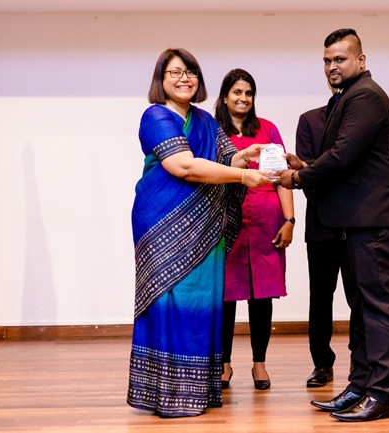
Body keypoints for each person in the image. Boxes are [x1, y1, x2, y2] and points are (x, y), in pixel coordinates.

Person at [127, 49, 271, 418]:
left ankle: (197, 389)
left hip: (205, 227)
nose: (184, 78)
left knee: (202, 298)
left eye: (190, 72)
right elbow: (185, 165)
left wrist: (246, 155)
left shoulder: (206, 121)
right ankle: (166, 391)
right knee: (169, 299)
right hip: (162, 224)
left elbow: (222, 163)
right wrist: (241, 175)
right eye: (175, 72)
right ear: (161, 79)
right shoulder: (155, 116)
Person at [277, 28, 389, 422]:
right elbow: (337, 158)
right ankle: (359, 386)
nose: (332, 66)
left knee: (378, 308)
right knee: (362, 309)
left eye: (340, 59)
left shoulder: (365, 95)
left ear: (361, 61)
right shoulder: (345, 98)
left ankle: (382, 395)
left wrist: (299, 179)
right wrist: (306, 166)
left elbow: (342, 156)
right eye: (326, 60)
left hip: (375, 219)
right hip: (356, 221)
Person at [214, 68, 294, 391]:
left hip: (265, 222)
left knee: (263, 296)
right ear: (224, 97)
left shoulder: (268, 129)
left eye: (249, 93)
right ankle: (224, 363)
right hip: (225, 222)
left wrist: (289, 220)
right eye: (237, 93)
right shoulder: (213, 130)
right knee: (225, 296)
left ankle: (259, 364)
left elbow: (283, 177)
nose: (244, 99)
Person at [295, 104, 351, 388]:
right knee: (320, 297)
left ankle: (361, 361)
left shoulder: (357, 118)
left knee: (360, 297)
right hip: (321, 222)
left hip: (356, 223)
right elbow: (305, 172)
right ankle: (321, 364)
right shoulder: (309, 120)